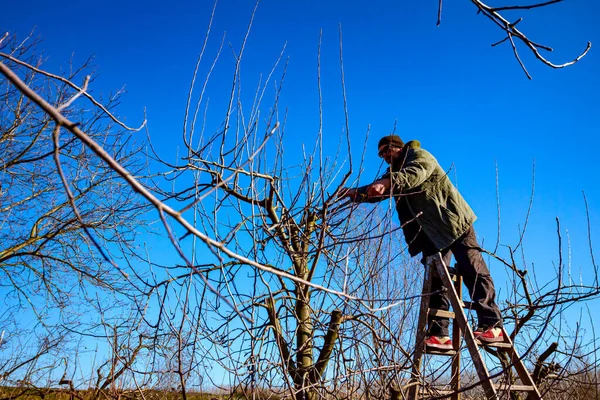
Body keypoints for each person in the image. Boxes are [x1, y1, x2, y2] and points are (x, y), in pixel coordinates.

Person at [339, 135, 504, 350]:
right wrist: (354, 193)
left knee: (472, 268)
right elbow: (378, 190)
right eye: (381, 154)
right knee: (435, 278)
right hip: (431, 234)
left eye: (386, 150)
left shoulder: (419, 156)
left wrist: (387, 182)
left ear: (398, 147)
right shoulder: (393, 174)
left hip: (453, 221)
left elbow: (414, 176)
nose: (384, 156)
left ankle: (493, 324)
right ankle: (439, 334)